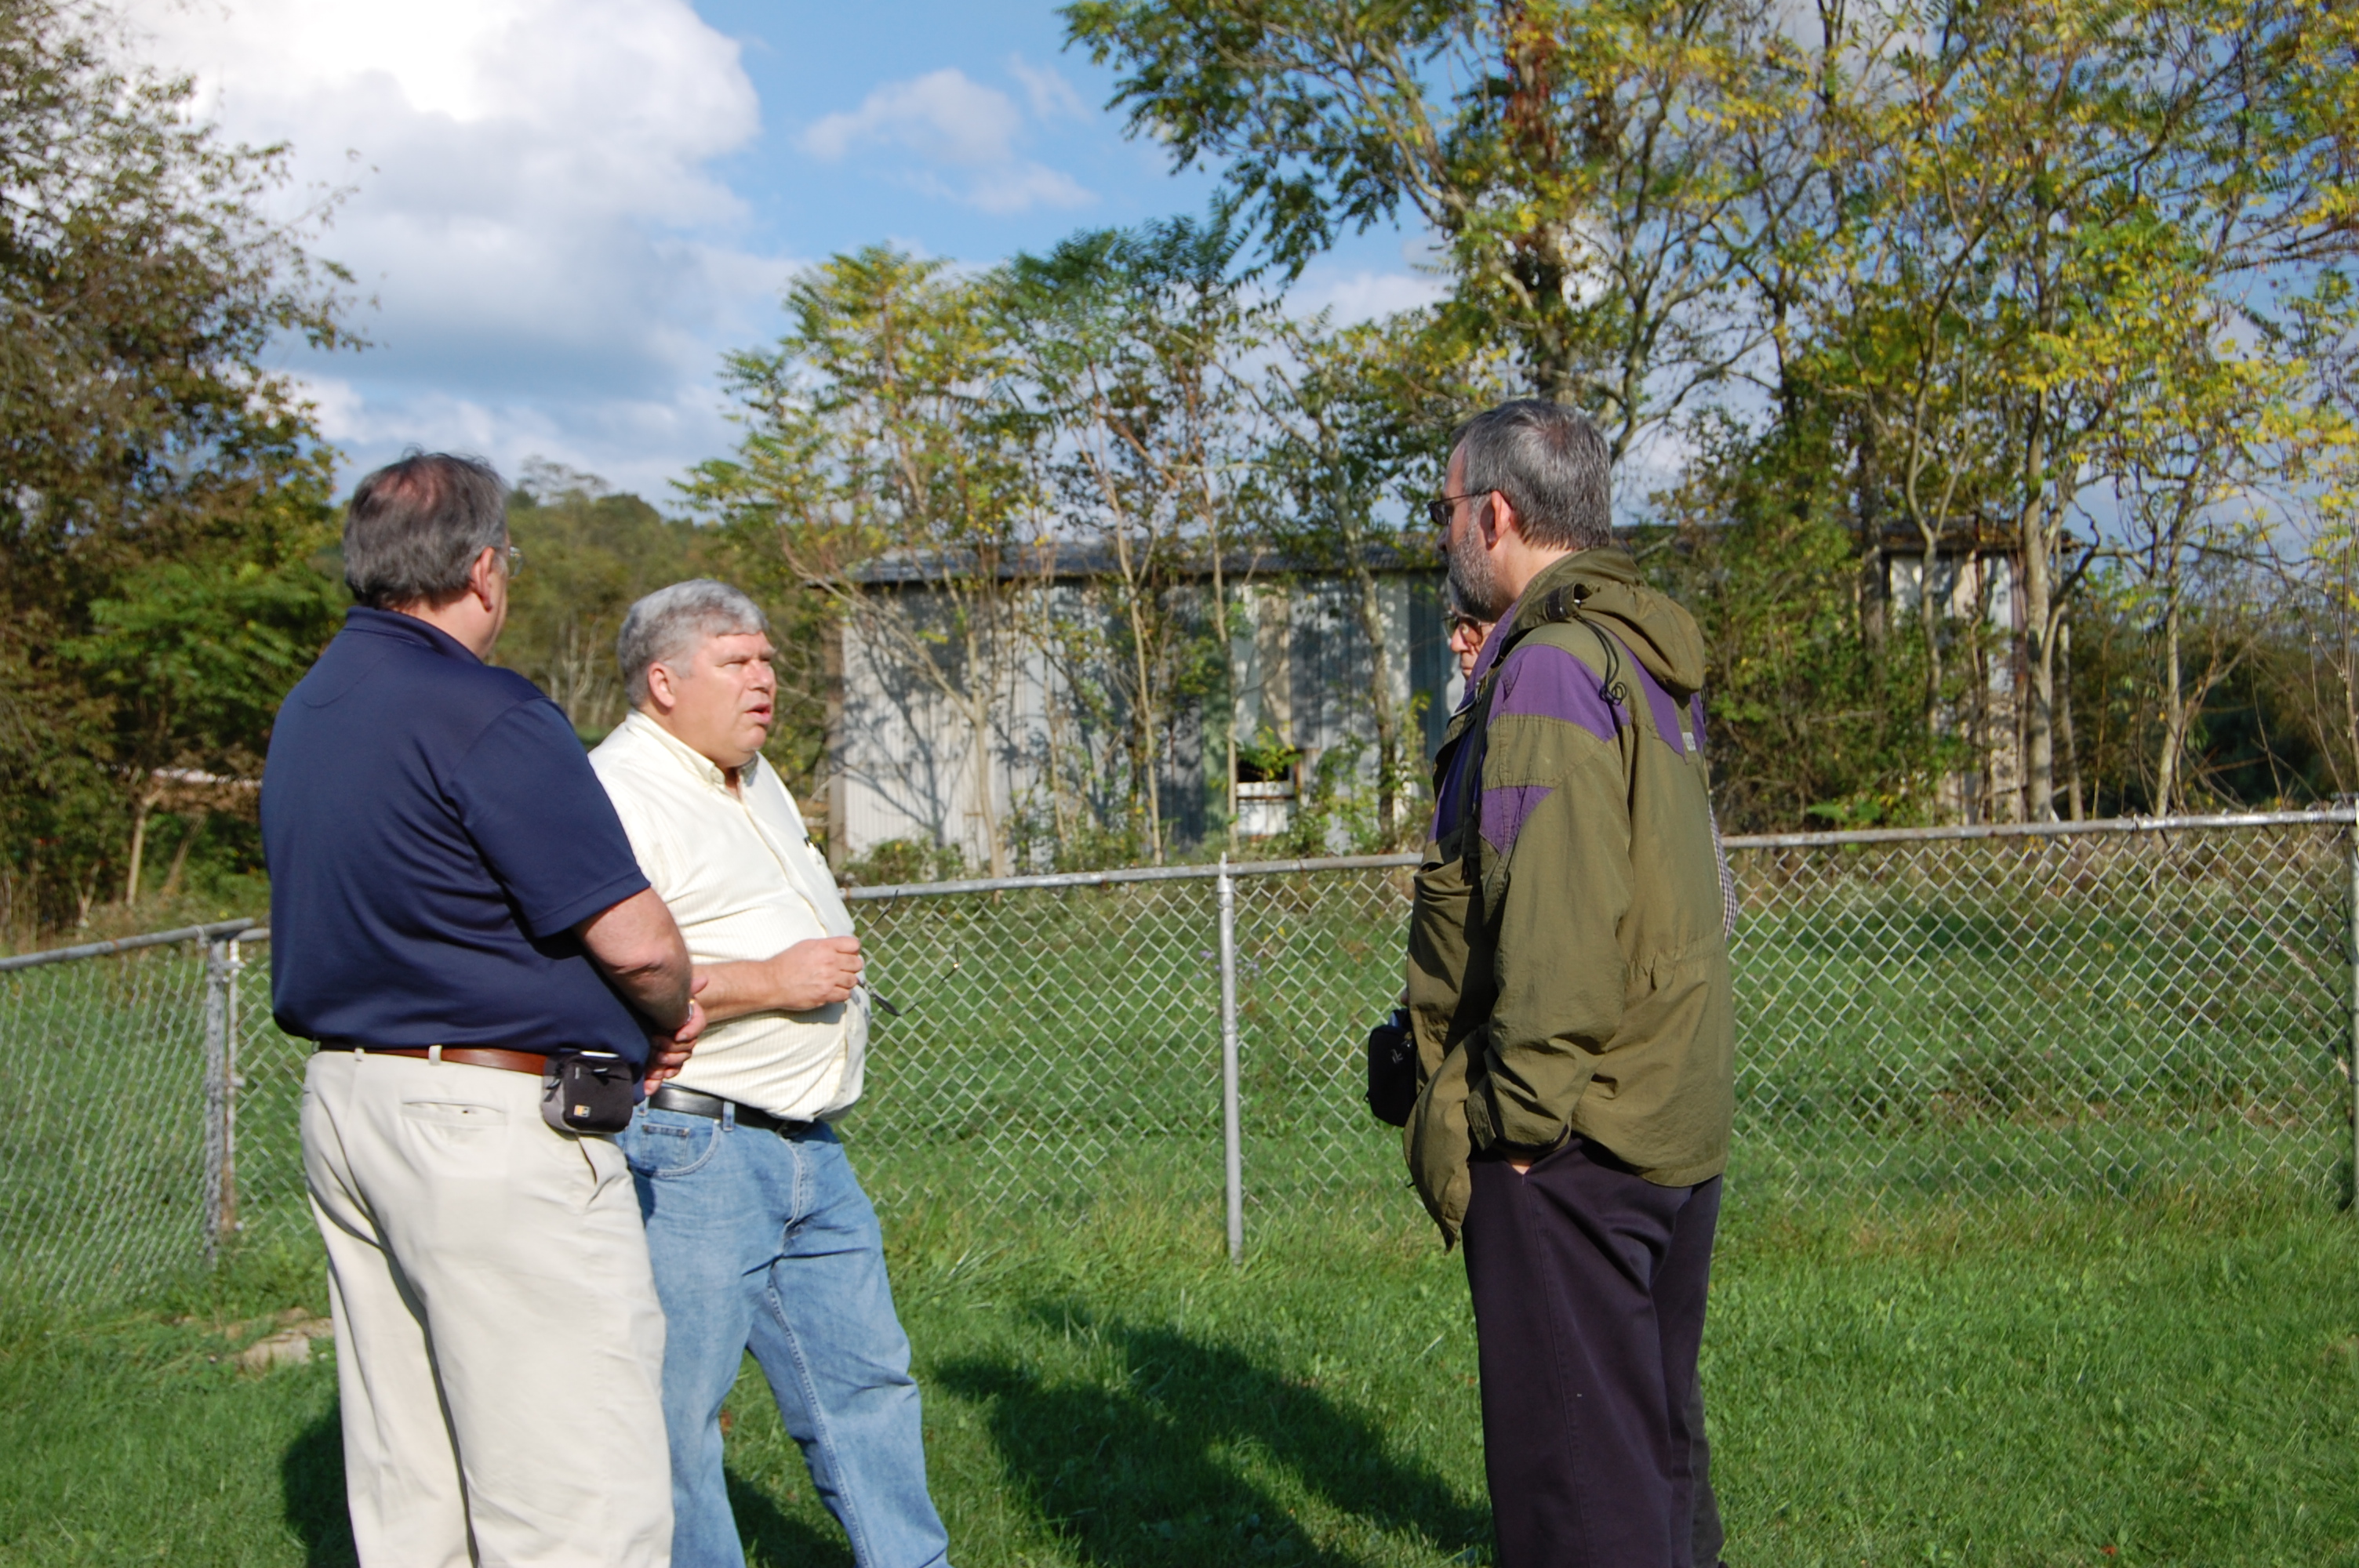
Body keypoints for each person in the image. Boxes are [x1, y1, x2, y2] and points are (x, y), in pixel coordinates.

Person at [263, 452, 705, 1567]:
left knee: (414, 1486)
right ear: (486, 569)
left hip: (349, 1099)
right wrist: (665, 1015)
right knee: (575, 1497)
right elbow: (638, 940)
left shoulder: (310, 708)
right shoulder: (484, 709)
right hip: (484, 1119)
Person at [1405, 401, 1734, 1568]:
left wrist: (1513, 1127)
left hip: (1574, 1148)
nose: (1444, 530)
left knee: (1575, 1505)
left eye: (1448, 508)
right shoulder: (1640, 649)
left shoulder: (1548, 672)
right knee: (1647, 1464)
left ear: (1496, 513)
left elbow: (1558, 929)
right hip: (1662, 1119)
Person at [589, 580, 952, 1568]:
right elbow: (599, 976)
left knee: (867, 1382)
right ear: (662, 681)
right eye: (736, 663)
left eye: (768, 661)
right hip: (691, 1141)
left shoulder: (750, 774)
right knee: (679, 1416)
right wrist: (770, 981)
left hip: (805, 1144)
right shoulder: (615, 792)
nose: (766, 681)